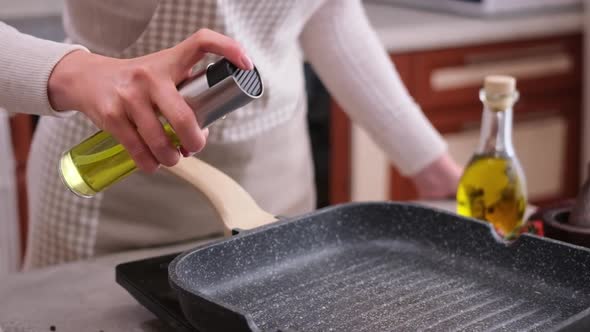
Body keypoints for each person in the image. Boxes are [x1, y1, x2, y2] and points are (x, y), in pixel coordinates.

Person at [0, 0, 462, 270]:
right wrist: (75, 73)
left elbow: (329, 13)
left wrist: (433, 168)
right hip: (113, 180)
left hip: (276, 188)